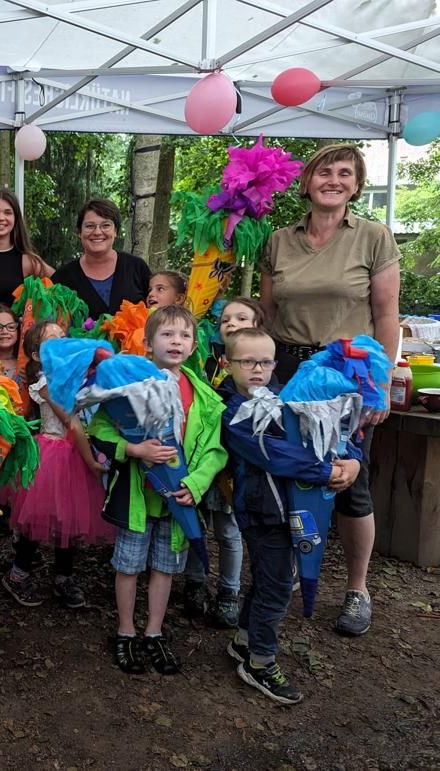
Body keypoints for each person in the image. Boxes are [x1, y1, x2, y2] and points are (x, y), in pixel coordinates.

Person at [260, 143, 400, 637]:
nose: (334, 180)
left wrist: (379, 384)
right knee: (291, 474)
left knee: (349, 481)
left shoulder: (373, 237)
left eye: (345, 173)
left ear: (357, 185)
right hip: (289, 371)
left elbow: (386, 314)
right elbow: (268, 313)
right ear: (307, 181)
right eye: (325, 172)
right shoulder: (278, 240)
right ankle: (295, 566)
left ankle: (357, 589)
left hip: (347, 375)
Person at [220, 328, 361, 704]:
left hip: (292, 512)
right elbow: (273, 453)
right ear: (227, 363)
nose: (257, 369)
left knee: (268, 579)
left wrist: (352, 462)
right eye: (247, 361)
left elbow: (334, 431)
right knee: (279, 586)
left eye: (265, 361)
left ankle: (245, 640)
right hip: (261, 514)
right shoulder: (234, 412)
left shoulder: (285, 399)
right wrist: (325, 473)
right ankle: (260, 662)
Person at [89, 306, 227, 675]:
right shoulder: (129, 385)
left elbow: (214, 449)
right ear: (148, 344)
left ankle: (153, 632)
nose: (176, 341)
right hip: (137, 496)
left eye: (184, 335)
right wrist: (133, 450)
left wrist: (196, 485)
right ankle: (125, 630)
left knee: (165, 568)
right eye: (167, 335)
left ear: (194, 345)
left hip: (179, 501)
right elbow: (99, 428)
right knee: (129, 566)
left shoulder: (205, 399)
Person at [3, 321, 111, 608]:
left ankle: (64, 576)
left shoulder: (77, 378)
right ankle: (19, 572)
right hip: (53, 454)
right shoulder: (45, 383)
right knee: (37, 516)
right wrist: (91, 460)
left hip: (74, 454)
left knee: (68, 518)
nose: (62, 344)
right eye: (53, 341)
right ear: (37, 355)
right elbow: (71, 423)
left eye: (65, 338)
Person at [180, 298, 263, 626]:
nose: (230, 323)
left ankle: (229, 591)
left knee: (228, 530)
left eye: (241, 317)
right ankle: (195, 582)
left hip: (233, 465)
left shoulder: (257, 364)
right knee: (195, 525)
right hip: (200, 459)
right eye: (225, 318)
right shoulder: (205, 356)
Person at [52, 199, 151, 321]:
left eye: (106, 225)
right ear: (79, 232)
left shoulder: (137, 267)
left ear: (116, 231)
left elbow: (158, 312)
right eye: (90, 226)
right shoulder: (62, 278)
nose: (97, 232)